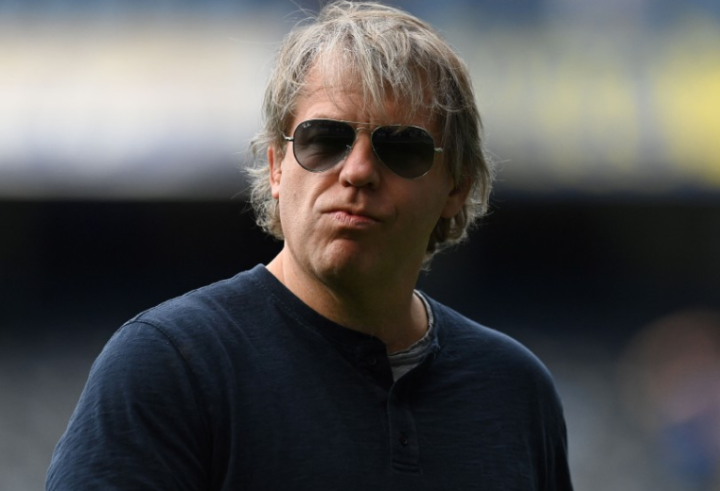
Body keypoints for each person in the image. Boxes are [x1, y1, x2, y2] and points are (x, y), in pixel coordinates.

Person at [47, 2, 573, 489]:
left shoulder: (515, 390)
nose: (358, 170)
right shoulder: (168, 366)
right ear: (277, 166)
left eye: (400, 147)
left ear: (456, 186)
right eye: (325, 139)